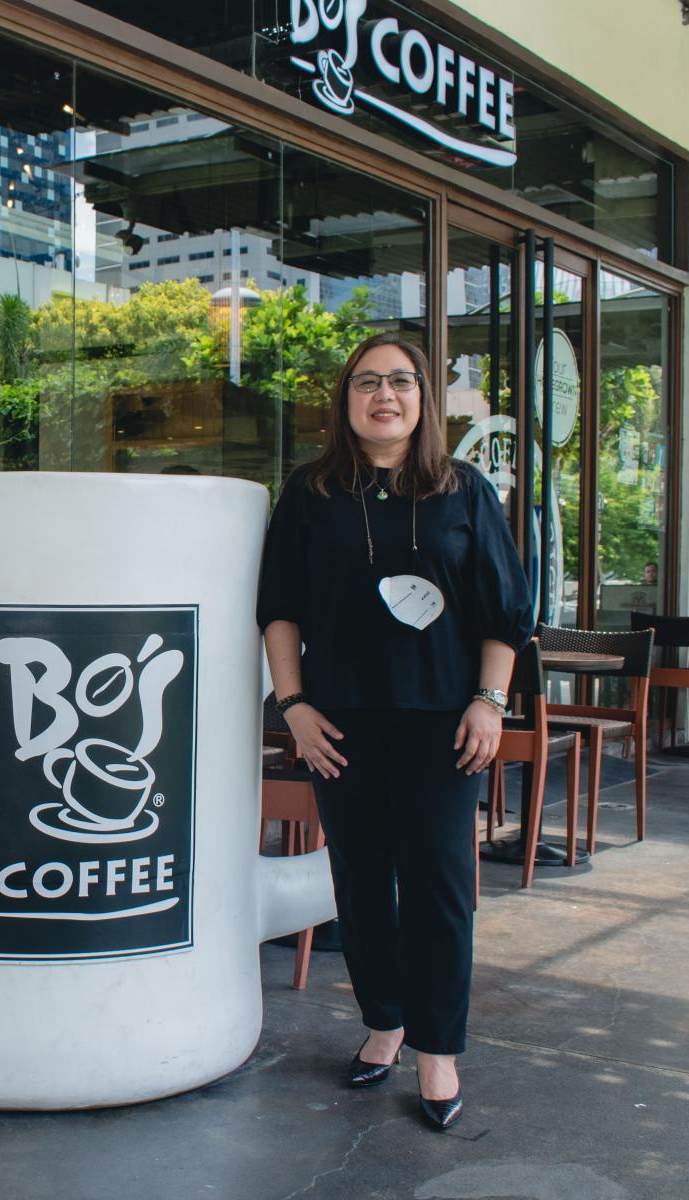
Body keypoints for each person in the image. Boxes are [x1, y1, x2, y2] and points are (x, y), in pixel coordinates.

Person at [256, 333, 532, 1131]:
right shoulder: (310, 493)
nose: (386, 395)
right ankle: (385, 1023)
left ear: (423, 399)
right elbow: (280, 608)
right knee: (362, 882)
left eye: (402, 381)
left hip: (442, 724)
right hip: (339, 723)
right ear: (347, 400)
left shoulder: (464, 492)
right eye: (368, 382)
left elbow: (501, 612)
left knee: (441, 887)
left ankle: (438, 1050)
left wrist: (488, 700)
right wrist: (295, 706)